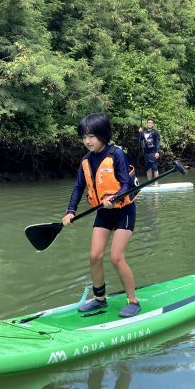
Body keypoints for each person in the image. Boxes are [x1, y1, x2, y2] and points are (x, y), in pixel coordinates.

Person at [63, 113, 142, 318]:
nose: (87, 141)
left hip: (123, 211)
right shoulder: (86, 161)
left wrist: (116, 197)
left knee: (116, 257)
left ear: (103, 135)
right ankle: (99, 299)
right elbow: (79, 187)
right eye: (84, 136)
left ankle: (133, 300)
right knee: (94, 256)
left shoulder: (117, 154)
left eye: (92, 136)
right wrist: (70, 211)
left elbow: (126, 182)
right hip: (103, 213)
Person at [137, 119, 160, 183]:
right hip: (146, 153)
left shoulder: (155, 132)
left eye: (151, 123)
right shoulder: (143, 132)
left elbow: (158, 143)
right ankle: (149, 182)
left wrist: (157, 152)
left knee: (155, 168)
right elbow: (139, 140)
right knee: (148, 168)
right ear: (147, 124)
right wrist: (139, 133)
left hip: (153, 152)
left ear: (153, 124)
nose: (149, 124)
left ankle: (156, 183)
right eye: (148, 123)